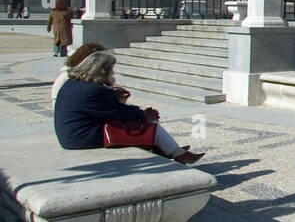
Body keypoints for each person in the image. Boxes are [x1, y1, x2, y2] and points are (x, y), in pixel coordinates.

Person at [54, 52, 204, 165]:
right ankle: (178, 154)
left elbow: (107, 108)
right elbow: (120, 113)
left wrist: (112, 94)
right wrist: (143, 114)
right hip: (82, 137)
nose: (113, 72)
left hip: (74, 133)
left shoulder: (73, 83)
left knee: (146, 122)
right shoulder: (93, 91)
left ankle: (170, 150)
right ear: (102, 71)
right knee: (150, 125)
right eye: (111, 69)